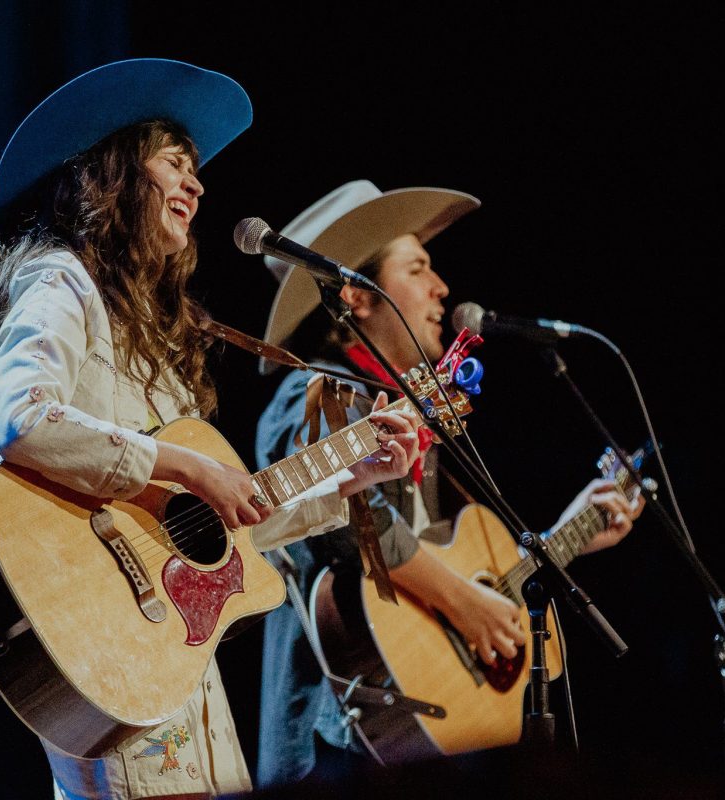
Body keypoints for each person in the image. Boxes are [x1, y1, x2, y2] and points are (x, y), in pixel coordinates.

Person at [0, 62, 421, 800]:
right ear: (115, 170)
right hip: (105, 635)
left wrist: (356, 475)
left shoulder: (152, 333)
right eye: (175, 164)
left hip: (170, 656)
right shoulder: (61, 279)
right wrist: (189, 470)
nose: (196, 185)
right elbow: (22, 418)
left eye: (196, 169)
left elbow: (224, 522)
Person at [254, 180, 646, 787]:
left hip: (415, 740)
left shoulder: (408, 409)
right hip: (335, 743)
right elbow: (348, 524)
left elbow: (441, 577)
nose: (441, 288)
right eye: (418, 268)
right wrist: (465, 603)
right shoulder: (316, 396)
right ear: (357, 296)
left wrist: (566, 537)